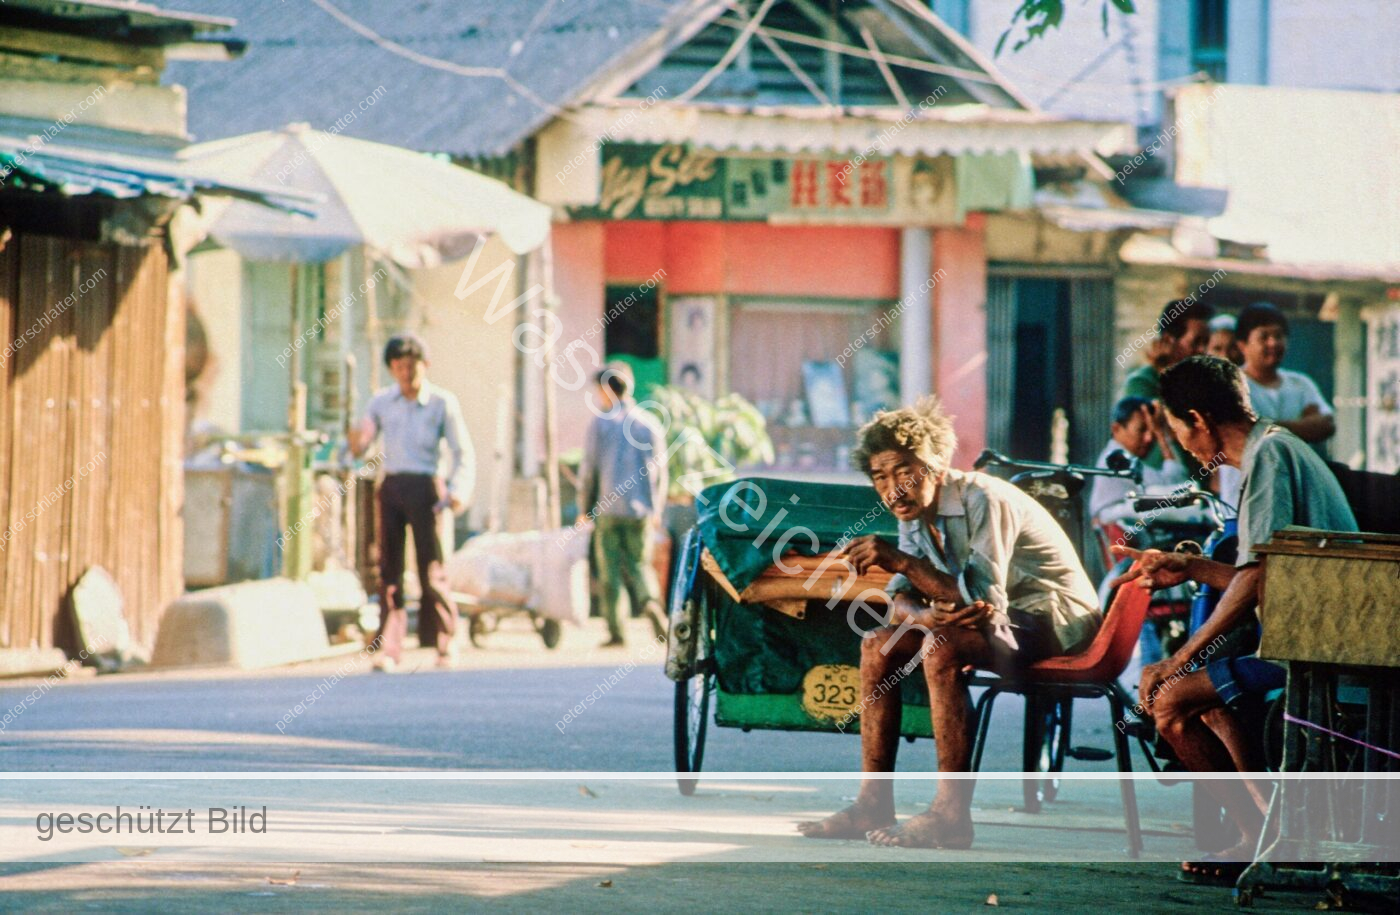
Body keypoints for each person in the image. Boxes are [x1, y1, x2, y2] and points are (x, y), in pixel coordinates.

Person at [798, 397, 1100, 849]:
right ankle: (872, 803)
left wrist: (905, 565)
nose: (893, 489)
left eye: (904, 471)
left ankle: (951, 816)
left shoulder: (984, 498)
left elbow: (981, 600)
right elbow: (901, 597)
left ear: (936, 464)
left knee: (940, 646)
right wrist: (923, 613)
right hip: (998, 621)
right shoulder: (915, 511)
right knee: (877, 643)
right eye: (880, 477)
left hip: (1057, 620)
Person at [1111, 356, 1357, 878]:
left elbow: (1257, 576)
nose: (1181, 443)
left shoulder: (1268, 456)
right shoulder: (1273, 449)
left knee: (1170, 700)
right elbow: (1264, 573)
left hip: (1318, 648)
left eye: (1178, 429)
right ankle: (1270, 830)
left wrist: (1178, 658)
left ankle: (1262, 838)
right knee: (1201, 700)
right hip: (1308, 637)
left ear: (1198, 420)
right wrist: (1191, 566)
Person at [350, 333, 473, 671]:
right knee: (389, 572)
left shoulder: (442, 403)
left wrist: (457, 490)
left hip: (426, 486)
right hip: (392, 485)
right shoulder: (381, 402)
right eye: (399, 367)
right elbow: (363, 440)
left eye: (412, 366)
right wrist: (357, 439)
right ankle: (389, 648)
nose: (406, 374)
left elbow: (463, 451)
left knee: (431, 569)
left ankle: (445, 642)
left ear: (425, 365)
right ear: (392, 369)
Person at [578, 363, 668, 648]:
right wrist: (657, 509)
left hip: (608, 510)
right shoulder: (649, 424)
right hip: (641, 510)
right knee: (640, 565)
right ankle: (650, 604)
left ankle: (617, 631)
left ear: (607, 390)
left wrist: (584, 508)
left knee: (611, 572)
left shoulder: (601, 424)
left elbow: (589, 470)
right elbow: (660, 473)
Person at [1236, 302, 1335, 446]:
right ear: (1242, 345)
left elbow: (1327, 424)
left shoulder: (1300, 383)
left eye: (1278, 336)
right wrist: (1303, 426)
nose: (1273, 343)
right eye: (1264, 337)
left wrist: (1266, 428)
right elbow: (1242, 433)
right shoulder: (1233, 386)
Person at [1088, 397, 1190, 527]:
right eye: (1141, 430)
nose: (1149, 438)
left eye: (1152, 431)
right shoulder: (1116, 458)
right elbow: (1176, 484)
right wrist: (1161, 432)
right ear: (1116, 429)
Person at [1120, 299, 1214, 403]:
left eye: (1206, 342)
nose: (1202, 350)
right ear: (1168, 340)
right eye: (1196, 342)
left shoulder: (1202, 381)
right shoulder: (1142, 382)